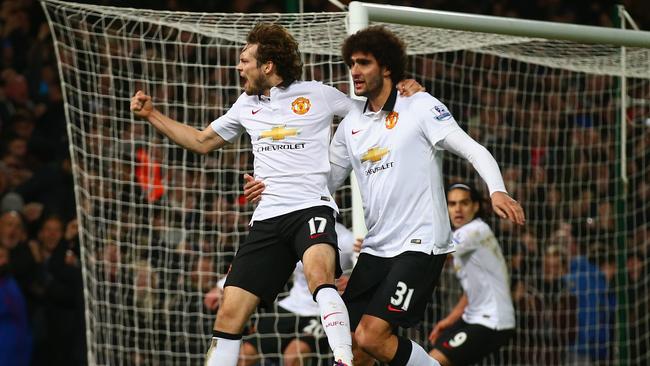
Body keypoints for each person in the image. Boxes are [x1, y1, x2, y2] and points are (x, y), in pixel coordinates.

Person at [131, 23, 422, 366]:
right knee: (229, 314)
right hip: (267, 217)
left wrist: (405, 92)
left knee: (319, 278)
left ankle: (342, 359)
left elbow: (370, 110)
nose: (239, 67)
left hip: (310, 207)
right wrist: (151, 114)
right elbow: (201, 141)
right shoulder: (244, 105)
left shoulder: (319, 93)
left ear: (267, 64)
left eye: (244, 60)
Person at [245, 26, 524, 366]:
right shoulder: (351, 124)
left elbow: (472, 149)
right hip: (377, 248)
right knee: (350, 344)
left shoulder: (418, 105)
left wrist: (497, 190)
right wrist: (273, 190)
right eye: (351, 63)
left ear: (387, 68)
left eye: (364, 63)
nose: (355, 71)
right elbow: (324, 184)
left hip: (420, 245)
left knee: (372, 335)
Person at [204, 221, 356, 366]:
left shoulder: (346, 239)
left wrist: (351, 281)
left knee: (293, 355)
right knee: (245, 355)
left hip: (320, 311)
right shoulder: (293, 228)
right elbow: (260, 261)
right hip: (292, 305)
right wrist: (220, 286)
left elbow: (364, 268)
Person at [427, 183, 515, 366]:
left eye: (464, 203)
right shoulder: (462, 239)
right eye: (452, 204)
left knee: (432, 363)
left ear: (475, 206)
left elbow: (433, 254)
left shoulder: (474, 231)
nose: (458, 209)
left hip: (492, 321)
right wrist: (450, 320)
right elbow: (471, 292)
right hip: (472, 317)